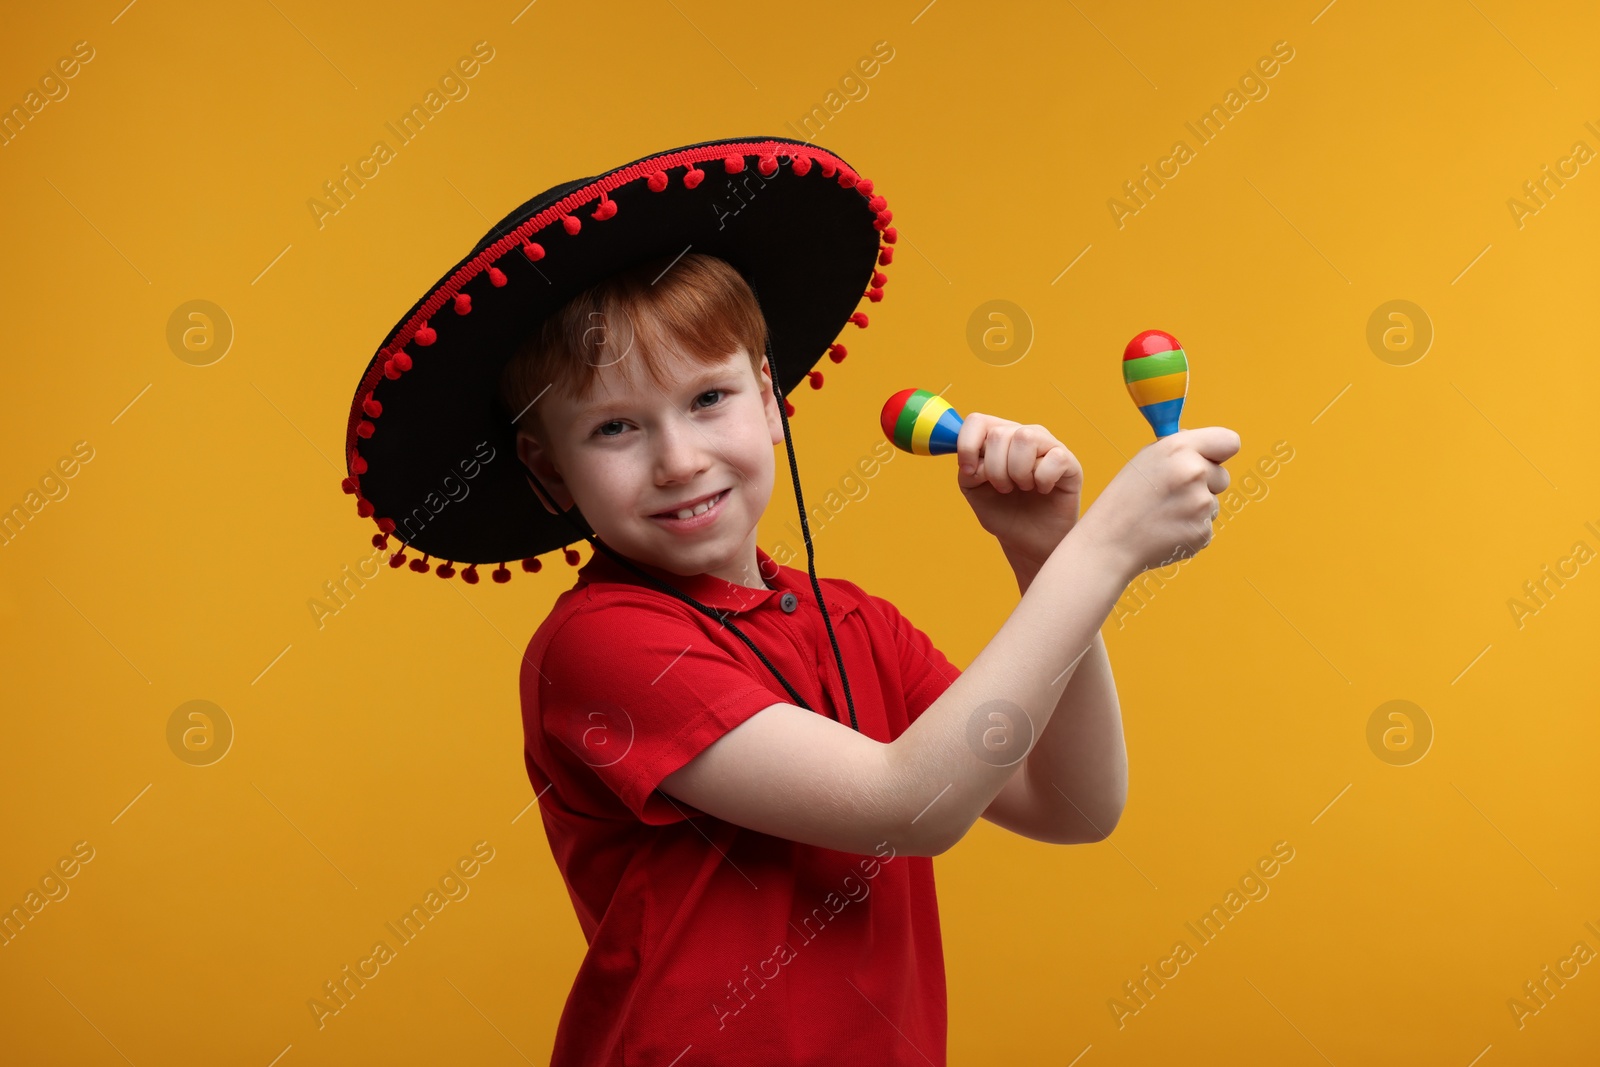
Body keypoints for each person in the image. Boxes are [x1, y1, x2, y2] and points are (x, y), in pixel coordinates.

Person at [339, 136, 1240, 1066]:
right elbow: (911, 802)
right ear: (548, 472)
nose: (679, 458)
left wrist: (1045, 553)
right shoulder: (600, 644)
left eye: (708, 399)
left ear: (770, 399)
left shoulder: (855, 623)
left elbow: (1074, 805)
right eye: (614, 426)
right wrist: (1104, 550)